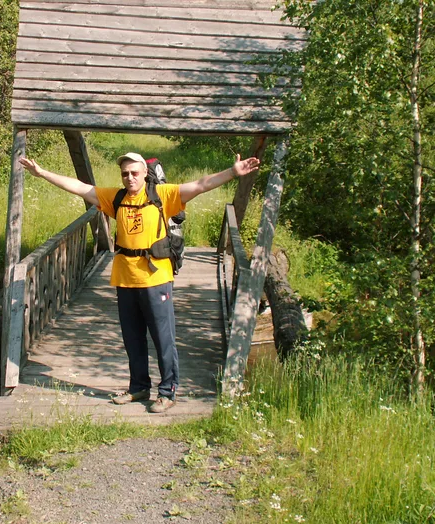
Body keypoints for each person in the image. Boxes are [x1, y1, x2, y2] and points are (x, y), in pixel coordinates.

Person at [18, 151, 260, 413]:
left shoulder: (163, 195)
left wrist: (232, 173)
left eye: (134, 172)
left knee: (162, 338)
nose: (129, 177)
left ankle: (168, 391)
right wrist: (42, 173)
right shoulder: (116, 197)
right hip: (125, 277)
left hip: (155, 277)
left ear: (145, 172)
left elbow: (201, 185)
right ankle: (139, 387)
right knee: (132, 337)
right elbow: (80, 187)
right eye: (125, 173)